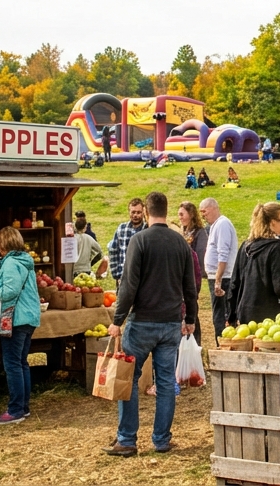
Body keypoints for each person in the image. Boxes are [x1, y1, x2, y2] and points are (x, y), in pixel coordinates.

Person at [104, 191, 198, 457]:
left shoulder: (139, 240)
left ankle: (127, 439)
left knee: (129, 378)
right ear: (166, 211)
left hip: (142, 322)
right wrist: (189, 318)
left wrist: (118, 320)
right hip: (170, 323)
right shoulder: (180, 243)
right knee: (166, 382)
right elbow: (189, 287)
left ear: (146, 212)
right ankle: (161, 439)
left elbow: (128, 285)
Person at [228, 202, 280, 324]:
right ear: (273, 222)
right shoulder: (275, 247)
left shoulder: (246, 245)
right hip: (270, 315)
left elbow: (234, 282)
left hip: (246, 311)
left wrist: (231, 314)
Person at [0, 226, 41, 425]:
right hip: (28, 317)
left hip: (16, 318)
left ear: (4, 243)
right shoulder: (24, 261)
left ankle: (16, 409)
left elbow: (10, 291)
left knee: (12, 364)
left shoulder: (11, 262)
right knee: (21, 363)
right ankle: (23, 407)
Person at [201, 198, 237, 344]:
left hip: (224, 277)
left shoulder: (222, 224)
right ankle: (220, 343)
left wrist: (218, 279)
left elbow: (223, 254)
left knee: (222, 315)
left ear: (213, 208)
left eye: (204, 211)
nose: (202, 215)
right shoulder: (216, 225)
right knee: (219, 314)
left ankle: (224, 345)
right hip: (218, 276)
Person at [107, 198, 147, 282]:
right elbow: (113, 250)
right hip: (123, 276)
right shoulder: (122, 228)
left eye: (138, 212)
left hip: (142, 278)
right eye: (133, 212)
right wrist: (116, 274)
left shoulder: (147, 229)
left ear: (143, 213)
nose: (135, 215)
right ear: (129, 212)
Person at [177, 202, 208, 292]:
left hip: (192, 274)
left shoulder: (199, 232)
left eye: (182, 214)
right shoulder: (182, 231)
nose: (180, 217)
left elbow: (201, 254)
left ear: (191, 215)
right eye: (179, 214)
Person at [72, 213, 107, 278]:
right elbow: (99, 251)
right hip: (86, 269)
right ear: (85, 227)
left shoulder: (72, 239)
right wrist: (91, 262)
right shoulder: (88, 238)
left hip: (73, 270)